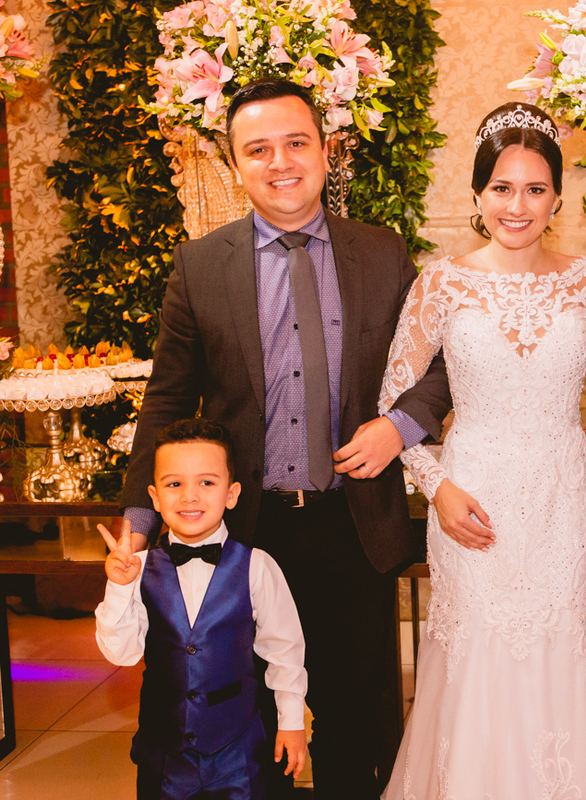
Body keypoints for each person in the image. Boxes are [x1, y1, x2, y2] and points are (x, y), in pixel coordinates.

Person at [118, 79, 452, 797]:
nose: (280, 162)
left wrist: (397, 429)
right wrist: (139, 522)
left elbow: (443, 364)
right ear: (235, 164)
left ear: (327, 153)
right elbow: (167, 399)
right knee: (250, 729)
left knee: (356, 722)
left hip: (352, 526)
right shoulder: (201, 266)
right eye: (258, 149)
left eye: (296, 143)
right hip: (245, 534)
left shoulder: (382, 254)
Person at [378, 101, 586, 799]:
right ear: (478, 194)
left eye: (535, 189)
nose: (518, 206)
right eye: (502, 188)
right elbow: (394, 404)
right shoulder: (441, 283)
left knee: (559, 655)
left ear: (557, 197)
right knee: (478, 660)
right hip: (470, 497)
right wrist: (438, 488)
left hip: (561, 501)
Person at [96, 419, 307, 800]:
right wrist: (120, 587)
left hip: (238, 753)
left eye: (206, 482)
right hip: (163, 755)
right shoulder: (137, 569)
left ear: (232, 493)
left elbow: (285, 652)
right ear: (154, 497)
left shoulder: (257, 566)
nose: (189, 497)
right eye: (174, 484)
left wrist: (291, 723)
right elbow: (121, 653)